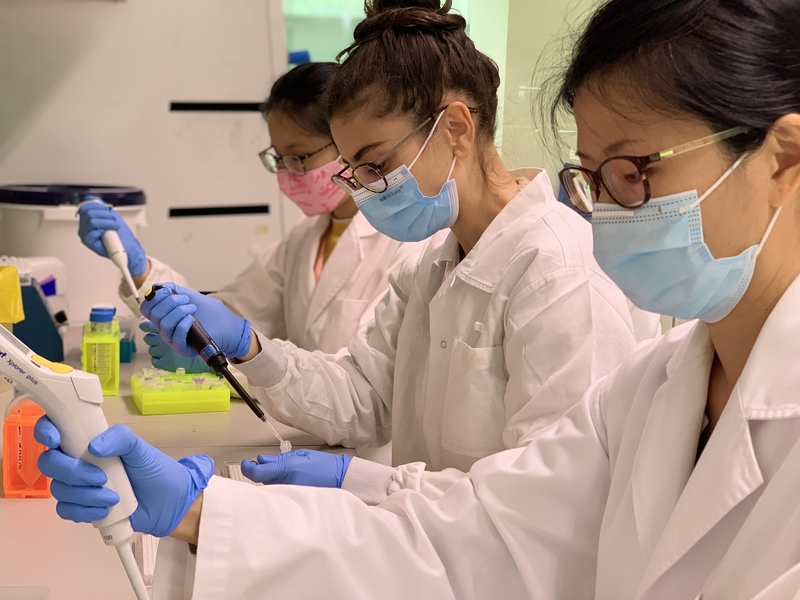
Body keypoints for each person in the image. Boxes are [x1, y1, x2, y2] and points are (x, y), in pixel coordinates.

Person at [45, 0, 800, 597]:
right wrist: (199, 512)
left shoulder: (561, 276)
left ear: (784, 158)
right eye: (593, 178)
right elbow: (481, 531)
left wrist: (356, 482)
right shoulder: (652, 389)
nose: (604, 212)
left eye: (635, 172)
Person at [139, 0, 658, 501]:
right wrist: (252, 347)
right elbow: (363, 397)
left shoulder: (559, 275)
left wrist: (366, 483)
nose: (365, 190)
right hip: (437, 555)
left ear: (455, 128)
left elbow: (548, 500)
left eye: (376, 164)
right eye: (354, 171)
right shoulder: (433, 265)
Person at [77, 63, 423, 371]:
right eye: (280, 160)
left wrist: (241, 352)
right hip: (313, 428)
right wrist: (138, 267)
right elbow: (227, 316)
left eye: (298, 157)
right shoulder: (303, 240)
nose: (288, 173)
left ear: (346, 143)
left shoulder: (405, 240)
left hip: (369, 441)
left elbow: (361, 379)